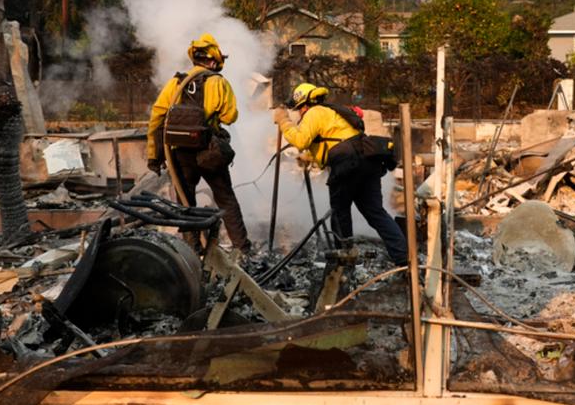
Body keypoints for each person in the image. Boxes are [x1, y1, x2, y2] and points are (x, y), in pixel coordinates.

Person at [272, 82, 408, 266]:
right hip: (367, 161)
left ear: (304, 104)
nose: (299, 113)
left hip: (347, 163)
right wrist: (311, 157)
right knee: (375, 212)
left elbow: (300, 140)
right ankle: (403, 258)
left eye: (298, 109)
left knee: (340, 212)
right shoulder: (333, 112)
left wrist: (284, 121)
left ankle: (344, 261)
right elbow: (333, 141)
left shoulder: (314, 112)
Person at [147, 33, 251, 252]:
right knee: (226, 199)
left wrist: (154, 156)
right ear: (213, 61)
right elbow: (229, 117)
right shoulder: (218, 82)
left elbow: (157, 117)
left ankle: (193, 251)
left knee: (185, 203)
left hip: (180, 153)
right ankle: (241, 249)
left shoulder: (176, 82)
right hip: (209, 151)